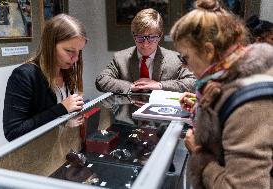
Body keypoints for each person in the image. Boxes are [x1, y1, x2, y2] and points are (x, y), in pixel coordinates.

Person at [170, 0, 273, 188]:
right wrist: (206, 107)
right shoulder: (237, 76)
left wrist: (200, 156)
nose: (185, 66)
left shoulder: (249, 106)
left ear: (208, 51)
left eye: (185, 57)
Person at [3, 14, 87, 142]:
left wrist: (67, 120)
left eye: (79, 51)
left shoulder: (66, 71)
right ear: (50, 45)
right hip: (37, 154)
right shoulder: (24, 76)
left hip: (60, 149)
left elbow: (54, 119)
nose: (75, 58)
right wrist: (62, 109)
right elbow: (13, 132)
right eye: (69, 50)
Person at [95, 8, 196, 94]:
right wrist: (130, 86)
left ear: (160, 36)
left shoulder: (175, 59)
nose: (145, 44)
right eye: (140, 38)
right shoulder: (120, 58)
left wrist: (160, 85)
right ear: (133, 36)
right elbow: (101, 80)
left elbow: (193, 82)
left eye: (152, 38)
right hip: (130, 113)